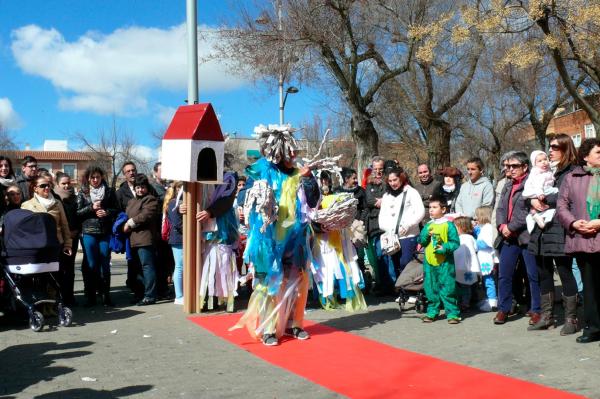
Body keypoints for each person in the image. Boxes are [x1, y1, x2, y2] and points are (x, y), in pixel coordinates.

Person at [230, 124, 320, 346]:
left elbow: (313, 199)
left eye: (294, 151)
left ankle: (294, 324)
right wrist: (252, 204)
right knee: (269, 283)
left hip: (297, 236)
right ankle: (269, 328)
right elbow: (244, 198)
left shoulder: (302, 174)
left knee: (298, 281)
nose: (293, 155)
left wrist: (309, 180)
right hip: (268, 238)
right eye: (289, 151)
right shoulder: (262, 170)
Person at [528, 134, 579, 334]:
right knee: (543, 273)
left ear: (566, 149)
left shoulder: (572, 171)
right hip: (541, 231)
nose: (550, 151)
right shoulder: (545, 169)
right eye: (549, 147)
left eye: (555, 147)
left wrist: (541, 199)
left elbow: (566, 197)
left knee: (565, 273)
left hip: (559, 229)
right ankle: (547, 316)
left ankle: (571, 319)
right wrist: (531, 200)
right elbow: (530, 191)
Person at [557, 138, 600, 343]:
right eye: (598, 153)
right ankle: (593, 328)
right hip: (583, 239)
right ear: (586, 156)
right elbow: (561, 207)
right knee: (589, 287)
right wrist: (574, 223)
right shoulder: (571, 177)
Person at [493, 151, 541, 326]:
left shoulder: (532, 184)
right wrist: (501, 226)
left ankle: (536, 309)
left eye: (514, 166)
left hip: (526, 236)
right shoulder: (507, 185)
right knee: (504, 274)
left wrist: (510, 227)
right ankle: (503, 309)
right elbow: (499, 209)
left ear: (524, 167)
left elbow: (528, 211)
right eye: (508, 166)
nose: (510, 169)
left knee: (532, 275)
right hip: (508, 237)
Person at [196, 172, 240, 312]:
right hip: (204, 229)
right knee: (208, 264)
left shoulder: (229, 177)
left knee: (224, 263)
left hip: (223, 227)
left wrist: (210, 212)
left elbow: (227, 200)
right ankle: (209, 299)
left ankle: (228, 300)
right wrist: (181, 207)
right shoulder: (198, 177)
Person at [77, 165, 119, 307]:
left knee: (105, 264)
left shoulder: (109, 191)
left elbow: (117, 210)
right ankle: (91, 296)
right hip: (88, 232)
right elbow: (77, 213)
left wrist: (107, 212)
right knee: (91, 264)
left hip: (105, 232)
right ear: (88, 179)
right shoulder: (83, 192)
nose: (95, 180)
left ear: (102, 177)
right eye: (92, 177)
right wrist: (91, 208)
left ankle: (106, 296)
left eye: (98, 177)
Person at [378, 167, 425, 290]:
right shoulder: (386, 195)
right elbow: (382, 217)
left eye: (395, 180)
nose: (393, 183)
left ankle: (412, 290)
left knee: (407, 263)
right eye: (390, 181)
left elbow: (420, 212)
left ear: (401, 178)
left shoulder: (411, 192)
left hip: (408, 235)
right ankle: (403, 290)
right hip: (393, 237)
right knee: (396, 264)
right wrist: (388, 229)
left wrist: (408, 225)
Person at [418, 196, 461, 324]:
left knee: (448, 287)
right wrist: (425, 235)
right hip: (429, 262)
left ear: (443, 209)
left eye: (434, 207)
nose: (431, 210)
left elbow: (455, 242)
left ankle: (452, 313)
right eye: (430, 207)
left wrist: (445, 247)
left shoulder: (448, 225)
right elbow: (422, 242)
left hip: (445, 263)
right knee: (430, 287)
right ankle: (432, 312)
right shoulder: (428, 225)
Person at [124, 174, 160, 306]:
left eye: (142, 187)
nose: (140, 190)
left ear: (147, 187)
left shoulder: (150, 199)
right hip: (132, 240)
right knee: (137, 269)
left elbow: (146, 215)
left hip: (145, 239)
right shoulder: (132, 201)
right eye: (138, 187)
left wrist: (130, 222)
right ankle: (140, 294)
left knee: (147, 267)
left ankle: (150, 295)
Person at [21, 175, 72, 258]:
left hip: (57, 244)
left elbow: (64, 225)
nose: (47, 187)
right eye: (43, 186)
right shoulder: (26, 205)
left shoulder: (57, 203)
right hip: (36, 245)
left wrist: (68, 245)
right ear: (35, 189)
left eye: (48, 185)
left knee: (58, 270)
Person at [54, 171, 80, 306]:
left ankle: (69, 297)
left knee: (69, 269)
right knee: (59, 269)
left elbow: (78, 215)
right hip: (59, 238)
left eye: (68, 183)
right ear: (57, 184)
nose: (66, 186)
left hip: (73, 237)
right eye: (63, 183)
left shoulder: (74, 198)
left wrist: (76, 230)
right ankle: (59, 297)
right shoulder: (54, 198)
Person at [365, 156, 387, 293]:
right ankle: (380, 283)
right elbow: (369, 200)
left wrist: (383, 201)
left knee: (384, 254)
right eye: (375, 169)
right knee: (376, 257)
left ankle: (387, 284)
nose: (378, 172)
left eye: (381, 169)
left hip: (386, 223)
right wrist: (381, 201)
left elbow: (391, 198)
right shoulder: (369, 184)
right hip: (373, 225)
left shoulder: (388, 182)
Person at [522, 150, 558, 232]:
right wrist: (540, 193)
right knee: (556, 190)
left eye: (545, 159)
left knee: (539, 208)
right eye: (540, 161)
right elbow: (538, 184)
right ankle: (536, 216)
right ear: (535, 164)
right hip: (539, 190)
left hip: (541, 190)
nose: (544, 162)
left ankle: (536, 216)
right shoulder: (538, 173)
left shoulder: (546, 170)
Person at [453, 216, 480, 311]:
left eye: (455, 227)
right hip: (467, 266)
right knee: (469, 284)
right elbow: (476, 248)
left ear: (462, 227)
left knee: (464, 286)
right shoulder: (470, 238)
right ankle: (471, 300)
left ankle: (465, 303)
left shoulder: (465, 238)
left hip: (463, 266)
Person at [163, 181, 184, 305]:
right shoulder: (172, 203)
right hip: (178, 239)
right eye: (180, 187)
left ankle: (183, 293)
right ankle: (179, 295)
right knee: (180, 267)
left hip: (180, 238)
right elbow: (177, 223)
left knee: (182, 267)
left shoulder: (179, 203)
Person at [474, 206, 498, 312]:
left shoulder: (488, 227)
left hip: (487, 258)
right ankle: (488, 299)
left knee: (489, 281)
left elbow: (487, 243)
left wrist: (474, 243)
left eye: (477, 216)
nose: (475, 218)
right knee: (485, 280)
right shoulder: (483, 227)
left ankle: (492, 301)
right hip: (483, 258)